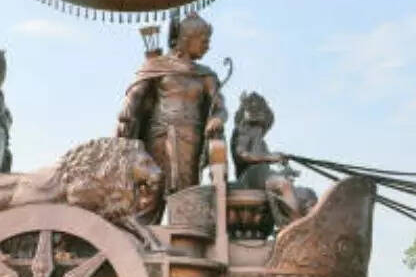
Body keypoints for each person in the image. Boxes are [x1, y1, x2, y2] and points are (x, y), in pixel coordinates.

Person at [116, 14, 226, 218]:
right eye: (204, 41)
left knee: (187, 189)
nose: (207, 47)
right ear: (188, 38)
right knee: (153, 185)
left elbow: (219, 106)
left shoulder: (206, 75)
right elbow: (137, 93)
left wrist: (217, 118)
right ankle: (142, 230)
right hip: (159, 133)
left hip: (191, 137)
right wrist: (127, 110)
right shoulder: (157, 65)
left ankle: (184, 229)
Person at [231, 91, 316, 225]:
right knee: (283, 184)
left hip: (263, 175)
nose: (261, 128)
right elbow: (243, 155)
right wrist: (271, 157)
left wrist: (284, 169)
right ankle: (295, 226)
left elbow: (266, 163)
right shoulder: (243, 131)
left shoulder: (262, 143)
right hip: (250, 176)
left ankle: (310, 222)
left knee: (307, 193)